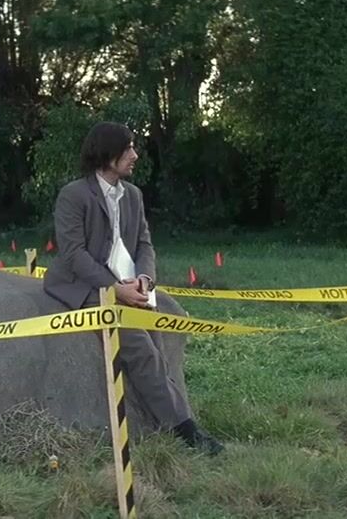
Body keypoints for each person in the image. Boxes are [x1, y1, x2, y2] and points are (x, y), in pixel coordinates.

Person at [43, 121, 223, 455]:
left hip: (129, 284)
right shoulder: (73, 195)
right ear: (107, 152)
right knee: (140, 347)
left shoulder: (134, 196)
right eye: (128, 148)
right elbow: (73, 254)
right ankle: (186, 432)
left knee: (156, 339)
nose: (135, 155)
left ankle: (165, 416)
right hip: (83, 286)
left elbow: (144, 245)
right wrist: (114, 289)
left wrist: (145, 280)